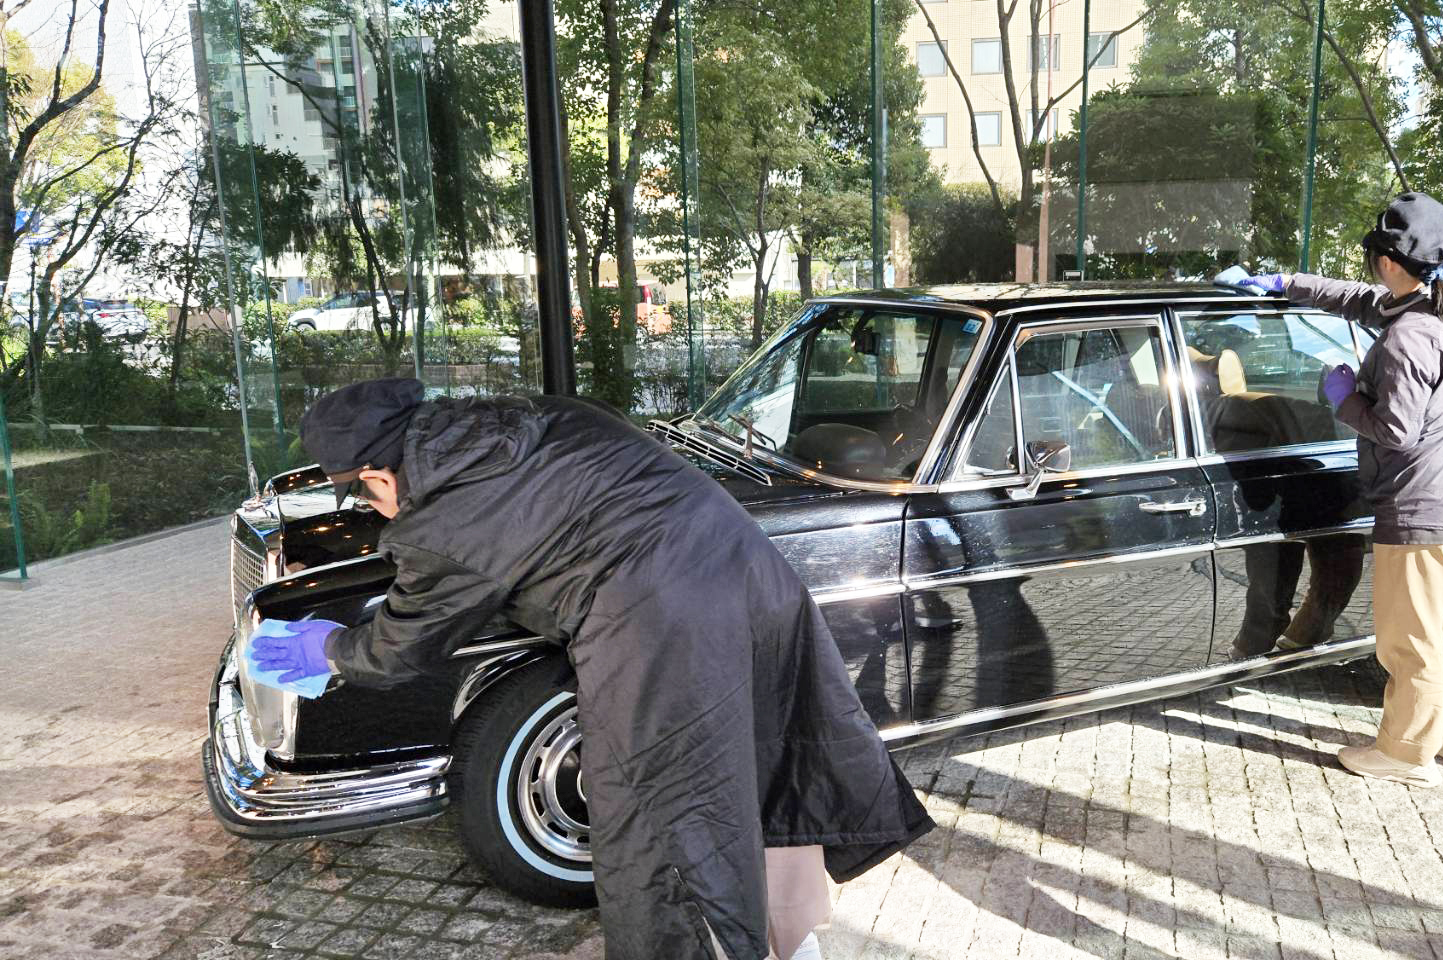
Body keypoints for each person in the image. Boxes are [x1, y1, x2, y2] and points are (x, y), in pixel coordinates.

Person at [252, 378, 934, 958]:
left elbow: (402, 646)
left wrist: (330, 649)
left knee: (663, 823)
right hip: (755, 582)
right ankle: (793, 942)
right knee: (756, 770)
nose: (375, 511)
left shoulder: (446, 521)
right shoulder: (538, 414)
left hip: (665, 635)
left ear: (377, 475)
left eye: (368, 499)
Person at [1239, 192, 1443, 788]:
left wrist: (1344, 398)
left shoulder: (1408, 339)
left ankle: (1407, 755)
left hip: (1425, 513)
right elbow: (1363, 300)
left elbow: (1395, 431)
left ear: (1387, 262)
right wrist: (1286, 283)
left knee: (1410, 641)